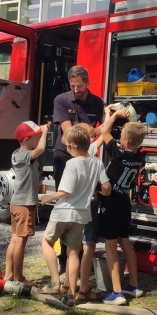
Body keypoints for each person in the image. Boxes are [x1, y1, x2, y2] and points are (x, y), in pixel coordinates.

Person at [38, 127, 111, 305]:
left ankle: (56, 282)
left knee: (47, 242)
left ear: (72, 146)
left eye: (67, 147)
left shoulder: (72, 164)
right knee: (73, 253)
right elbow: (107, 189)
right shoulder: (97, 162)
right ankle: (71, 294)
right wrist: (97, 192)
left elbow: (65, 191)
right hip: (81, 215)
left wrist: (48, 197)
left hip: (63, 212)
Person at [52, 66, 105, 272]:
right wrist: (90, 132)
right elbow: (69, 132)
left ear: (87, 82)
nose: (76, 89)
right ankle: (65, 257)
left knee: (85, 205)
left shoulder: (97, 102)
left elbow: (101, 129)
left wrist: (97, 136)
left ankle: (82, 257)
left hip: (87, 159)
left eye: (79, 86)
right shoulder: (62, 100)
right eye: (72, 85)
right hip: (65, 158)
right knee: (65, 205)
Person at [99, 104, 149, 305]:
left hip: (110, 203)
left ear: (126, 140)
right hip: (124, 203)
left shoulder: (118, 154)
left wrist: (110, 115)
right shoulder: (138, 157)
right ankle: (134, 284)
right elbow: (131, 136)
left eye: (122, 136)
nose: (118, 137)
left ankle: (117, 292)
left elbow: (104, 131)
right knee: (125, 241)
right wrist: (130, 120)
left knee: (110, 244)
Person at [5, 120, 49, 283]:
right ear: (27, 138)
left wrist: (41, 132)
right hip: (24, 205)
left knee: (15, 239)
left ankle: (9, 275)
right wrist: (45, 132)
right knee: (20, 243)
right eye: (36, 136)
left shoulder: (16, 153)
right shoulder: (25, 155)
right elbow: (41, 149)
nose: (39, 138)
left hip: (16, 203)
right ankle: (18, 277)